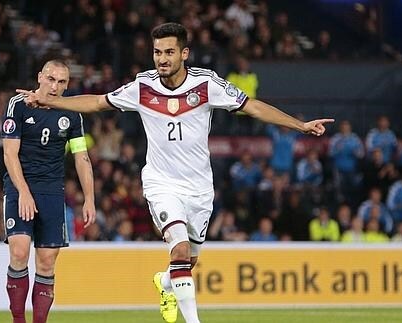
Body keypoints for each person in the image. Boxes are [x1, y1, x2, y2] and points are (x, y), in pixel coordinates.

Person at [17, 23, 333, 323]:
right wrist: (52, 101)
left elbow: (252, 107)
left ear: (184, 53)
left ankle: (166, 282)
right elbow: (98, 103)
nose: (162, 59)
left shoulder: (207, 85)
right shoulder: (142, 87)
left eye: (169, 52)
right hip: (161, 182)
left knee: (187, 262)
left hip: (199, 188)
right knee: (179, 250)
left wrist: (299, 125)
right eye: (157, 52)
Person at [2, 59, 96, 323]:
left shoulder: (71, 114)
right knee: (19, 251)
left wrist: (89, 198)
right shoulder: (18, 106)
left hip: (52, 191)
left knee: (46, 262)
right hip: (20, 185)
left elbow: (81, 157)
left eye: (62, 82)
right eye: (51, 79)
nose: (55, 86)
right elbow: (10, 154)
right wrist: (23, 191)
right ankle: (18, 320)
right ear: (40, 77)